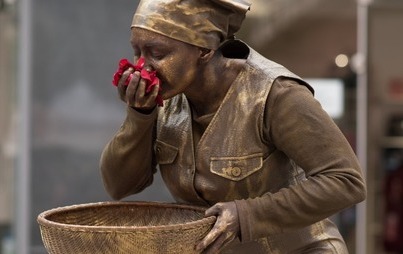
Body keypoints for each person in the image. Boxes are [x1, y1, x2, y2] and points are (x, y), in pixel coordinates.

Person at [100, 0, 366, 253]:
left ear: (204, 50)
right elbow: (119, 185)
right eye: (137, 51)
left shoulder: (275, 95)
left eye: (158, 53)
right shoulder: (168, 98)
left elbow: (346, 181)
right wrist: (139, 115)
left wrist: (247, 215)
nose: (143, 66)